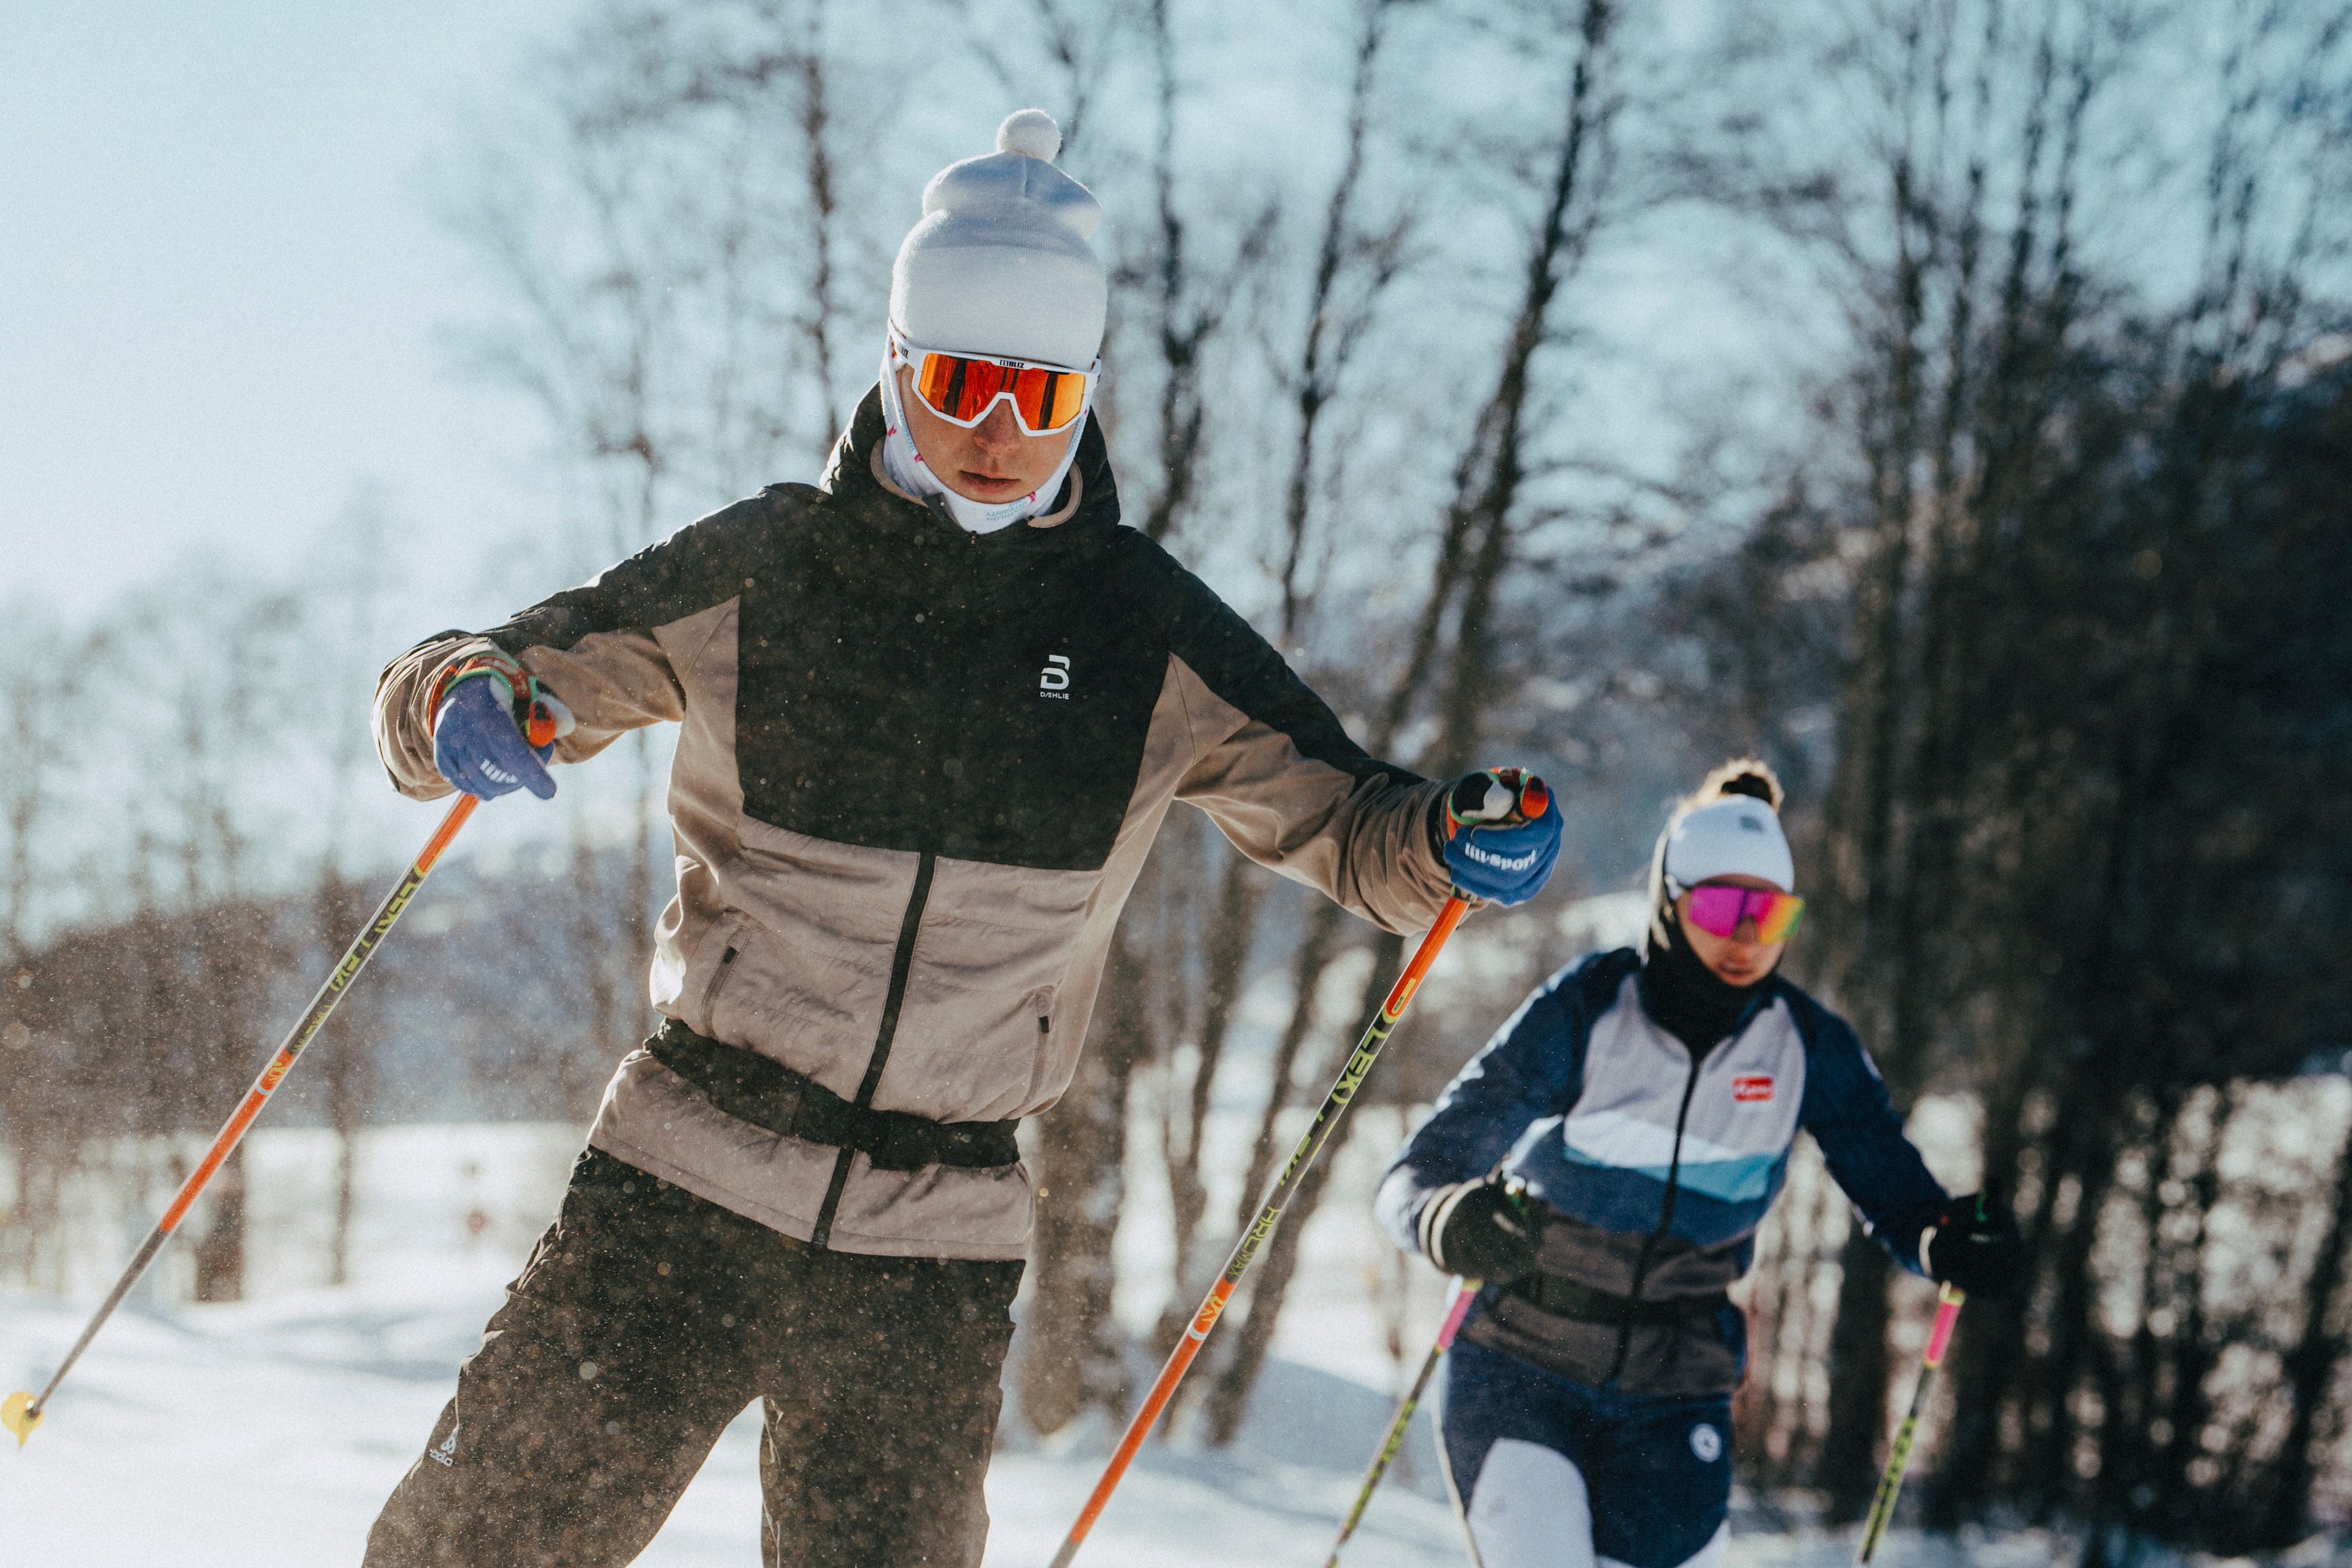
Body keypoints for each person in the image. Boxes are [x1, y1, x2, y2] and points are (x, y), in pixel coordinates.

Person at [361, 109, 1562, 1568]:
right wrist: (463, 698)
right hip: (688, 1175)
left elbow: (1359, 827)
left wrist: (1450, 834)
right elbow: (491, 668)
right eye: (961, 381)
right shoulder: (773, 569)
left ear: (1084, 396)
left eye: (1039, 393)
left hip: (933, 1244)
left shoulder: (1142, 630)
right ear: (895, 366)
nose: (998, 431)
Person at [1374, 760, 2021, 1568]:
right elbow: (1421, 1171)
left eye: (1772, 913)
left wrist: (1949, 1237)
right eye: (1722, 906)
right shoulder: (1589, 1009)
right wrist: (1446, 1218)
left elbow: (1898, 1193)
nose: (1748, 937)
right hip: (1522, 1364)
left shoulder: (1805, 1047)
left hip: (1676, 1392)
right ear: (1670, 902)